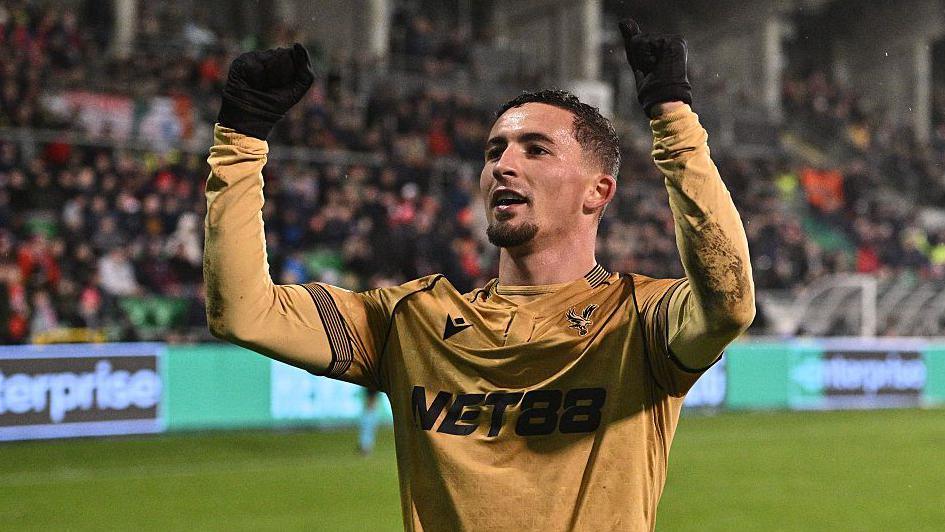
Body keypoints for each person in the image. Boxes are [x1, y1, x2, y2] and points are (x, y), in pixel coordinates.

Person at [204, 20, 754, 531]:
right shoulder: (412, 320)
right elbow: (244, 313)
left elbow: (730, 301)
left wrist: (674, 120)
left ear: (598, 191)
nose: (503, 165)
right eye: (495, 151)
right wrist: (240, 140)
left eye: (535, 149)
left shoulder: (640, 321)